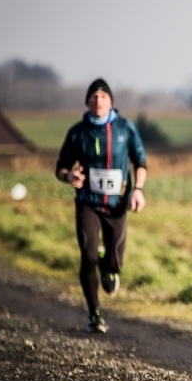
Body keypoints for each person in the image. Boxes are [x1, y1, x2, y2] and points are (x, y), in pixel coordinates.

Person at [55, 78, 148, 333]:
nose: (98, 101)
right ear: (87, 102)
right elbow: (61, 167)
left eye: (103, 97)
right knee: (88, 255)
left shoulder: (125, 129)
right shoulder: (77, 132)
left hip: (117, 204)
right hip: (88, 203)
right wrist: (69, 176)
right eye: (94, 97)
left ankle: (109, 265)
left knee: (115, 261)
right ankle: (94, 314)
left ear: (111, 102)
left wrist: (137, 190)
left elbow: (140, 162)